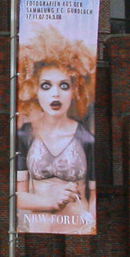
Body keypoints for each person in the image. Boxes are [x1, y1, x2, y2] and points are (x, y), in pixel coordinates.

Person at [15, 24, 96, 234]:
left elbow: (93, 195)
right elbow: (18, 196)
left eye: (64, 85)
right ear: (34, 89)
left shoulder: (86, 138)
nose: (55, 95)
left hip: (79, 230)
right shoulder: (25, 135)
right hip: (36, 231)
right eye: (46, 86)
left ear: (75, 91)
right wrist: (51, 201)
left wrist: (91, 225)